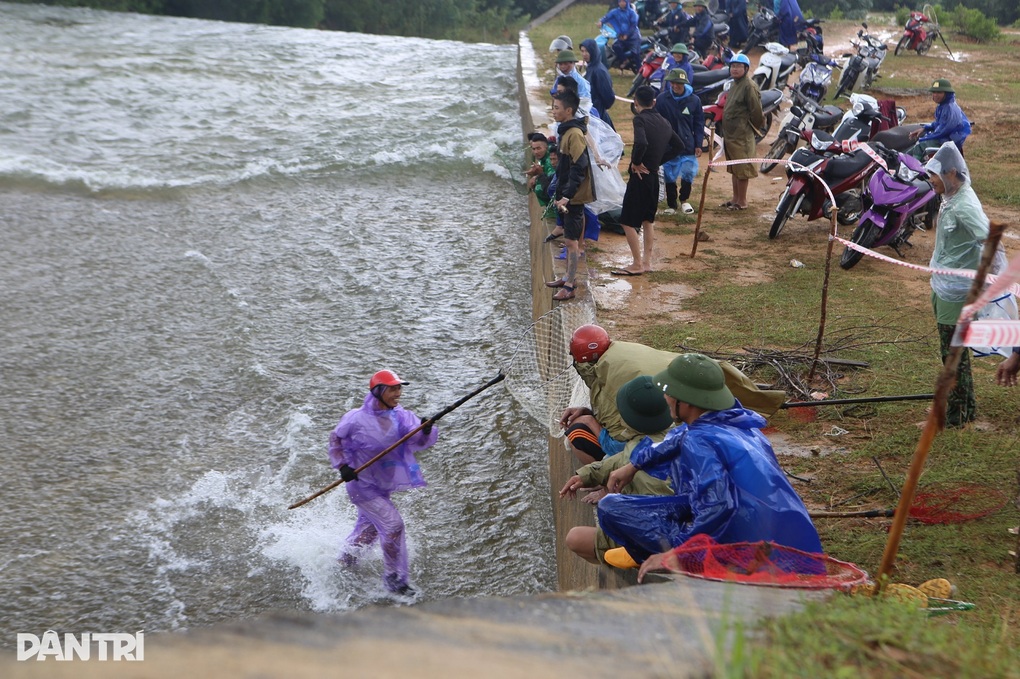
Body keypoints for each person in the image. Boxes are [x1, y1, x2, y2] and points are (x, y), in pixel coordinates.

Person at [595, 354, 823, 570]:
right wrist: (634, 465)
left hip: (744, 540)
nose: (665, 397)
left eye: (669, 393)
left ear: (686, 402)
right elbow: (679, 439)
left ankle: (675, 559)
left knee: (611, 507)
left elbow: (719, 505)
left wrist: (680, 553)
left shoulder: (698, 442)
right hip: (780, 533)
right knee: (687, 501)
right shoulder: (738, 423)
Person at [559, 324, 786, 465]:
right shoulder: (624, 350)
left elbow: (619, 445)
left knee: (578, 432)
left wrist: (589, 419)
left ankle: (605, 485)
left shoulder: (688, 444)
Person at [329, 369, 439, 597]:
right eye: (392, 388)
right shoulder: (355, 418)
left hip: (382, 486)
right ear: (378, 391)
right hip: (361, 486)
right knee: (393, 526)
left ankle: (344, 562)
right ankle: (393, 578)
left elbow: (416, 437)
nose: (398, 392)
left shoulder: (400, 415)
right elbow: (335, 439)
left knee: (370, 533)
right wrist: (342, 466)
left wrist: (425, 429)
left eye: (399, 388)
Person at [559, 376, 675, 565]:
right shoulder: (676, 434)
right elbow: (618, 460)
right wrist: (586, 475)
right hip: (681, 525)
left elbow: (621, 459)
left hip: (655, 535)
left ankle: (633, 559)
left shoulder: (636, 448)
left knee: (575, 538)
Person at [925, 142, 988, 427]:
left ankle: (956, 416)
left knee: (952, 356)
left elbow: (988, 239)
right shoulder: (950, 196)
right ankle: (968, 408)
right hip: (944, 286)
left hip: (958, 292)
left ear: (951, 173)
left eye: (934, 175)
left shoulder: (965, 205)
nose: (931, 181)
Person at [611, 86, 682, 276]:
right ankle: (647, 262)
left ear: (635, 102)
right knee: (647, 220)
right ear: (654, 101)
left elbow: (641, 142)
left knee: (627, 221)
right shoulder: (664, 122)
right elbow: (679, 146)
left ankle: (636, 264)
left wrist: (636, 162)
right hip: (653, 175)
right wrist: (658, 161)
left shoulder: (640, 119)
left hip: (640, 176)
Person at [546, 89, 594, 301]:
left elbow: (579, 165)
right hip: (566, 194)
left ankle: (570, 285)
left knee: (573, 242)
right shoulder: (565, 131)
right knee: (568, 239)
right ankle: (566, 276)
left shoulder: (574, 134)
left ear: (568, 110)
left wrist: (567, 195)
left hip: (573, 197)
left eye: (556, 108)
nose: (553, 111)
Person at [656, 69, 704, 216]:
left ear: (684, 83)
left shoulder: (694, 100)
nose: (675, 86)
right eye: (673, 82)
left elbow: (699, 123)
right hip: (668, 145)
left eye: (679, 83)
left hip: (687, 145)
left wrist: (698, 144)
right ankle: (671, 204)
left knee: (688, 172)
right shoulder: (662, 99)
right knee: (669, 175)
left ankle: (684, 200)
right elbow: (657, 121)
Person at [721, 52, 763, 210]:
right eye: (732, 66)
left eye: (739, 66)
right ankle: (735, 199)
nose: (735, 69)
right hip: (731, 135)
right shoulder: (734, 83)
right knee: (734, 168)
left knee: (743, 169)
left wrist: (750, 128)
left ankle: (742, 202)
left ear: (746, 69)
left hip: (742, 135)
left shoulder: (749, 86)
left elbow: (756, 111)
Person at [909, 79, 972, 159]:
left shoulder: (949, 108)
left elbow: (943, 130)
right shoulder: (942, 106)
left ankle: (915, 170)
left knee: (919, 147)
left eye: (939, 92)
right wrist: (925, 128)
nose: (935, 95)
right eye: (934, 92)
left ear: (947, 94)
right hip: (945, 139)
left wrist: (926, 138)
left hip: (948, 141)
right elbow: (939, 123)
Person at [580, 38, 617, 129]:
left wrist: (599, 107)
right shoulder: (590, 68)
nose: (584, 54)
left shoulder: (599, 71)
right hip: (590, 113)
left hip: (599, 115)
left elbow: (608, 96)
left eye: (587, 51)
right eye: (582, 51)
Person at [599, 0, 641, 70]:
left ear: (627, 2)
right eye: (620, 1)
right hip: (621, 36)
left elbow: (633, 26)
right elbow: (608, 16)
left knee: (635, 53)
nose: (621, 3)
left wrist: (627, 35)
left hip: (633, 37)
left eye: (623, 1)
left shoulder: (632, 13)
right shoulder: (616, 12)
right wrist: (601, 21)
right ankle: (625, 60)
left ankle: (640, 71)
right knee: (616, 46)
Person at [525, 132, 555, 212]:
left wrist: (539, 174)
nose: (536, 152)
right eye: (533, 149)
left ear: (546, 147)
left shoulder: (549, 163)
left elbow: (550, 188)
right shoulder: (544, 160)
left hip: (553, 211)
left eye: (539, 148)